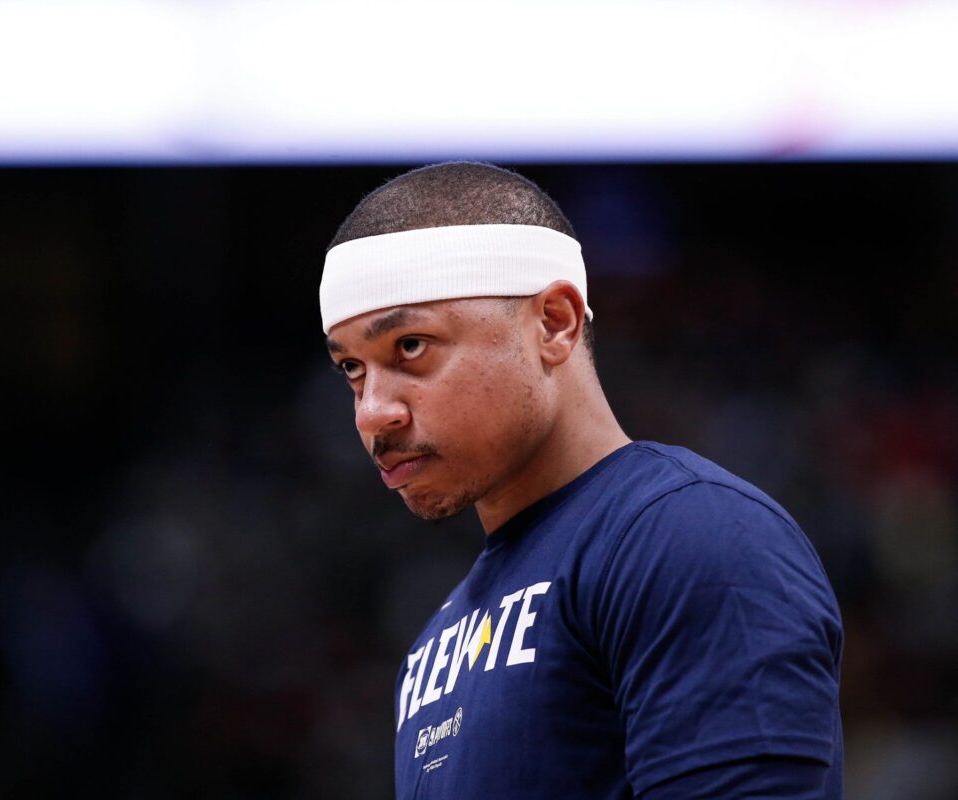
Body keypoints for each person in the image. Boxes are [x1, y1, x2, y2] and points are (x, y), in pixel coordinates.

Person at [318, 162, 844, 798]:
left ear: (555, 322)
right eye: (352, 369)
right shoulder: (433, 645)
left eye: (410, 346)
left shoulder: (690, 536)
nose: (373, 412)